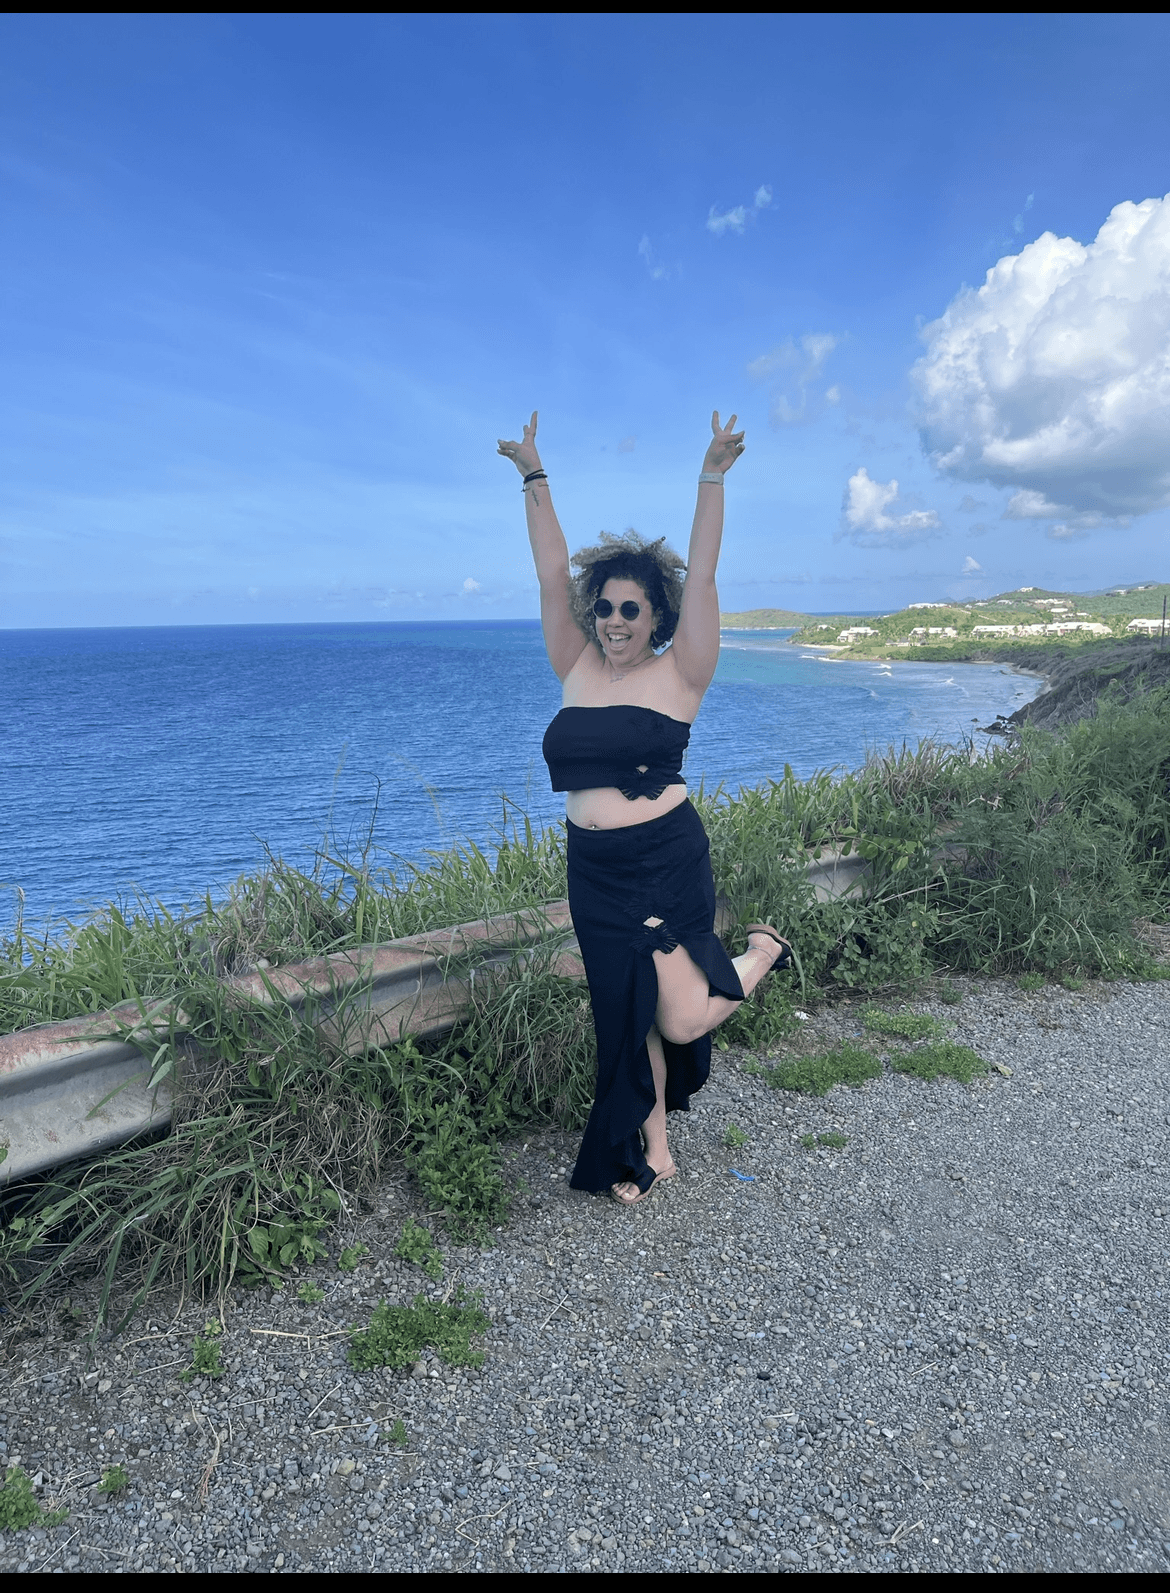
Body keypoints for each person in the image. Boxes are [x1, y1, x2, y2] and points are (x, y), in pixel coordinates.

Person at [497, 410, 792, 1205]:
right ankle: (654, 1150)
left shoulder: (682, 672)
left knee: (686, 1016)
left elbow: (702, 574)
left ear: (655, 615)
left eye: (631, 610)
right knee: (629, 1017)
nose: (614, 621)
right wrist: (533, 471)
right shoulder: (576, 664)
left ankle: (761, 954)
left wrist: (712, 474)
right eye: (606, 608)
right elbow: (550, 572)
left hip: (663, 862)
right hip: (594, 873)